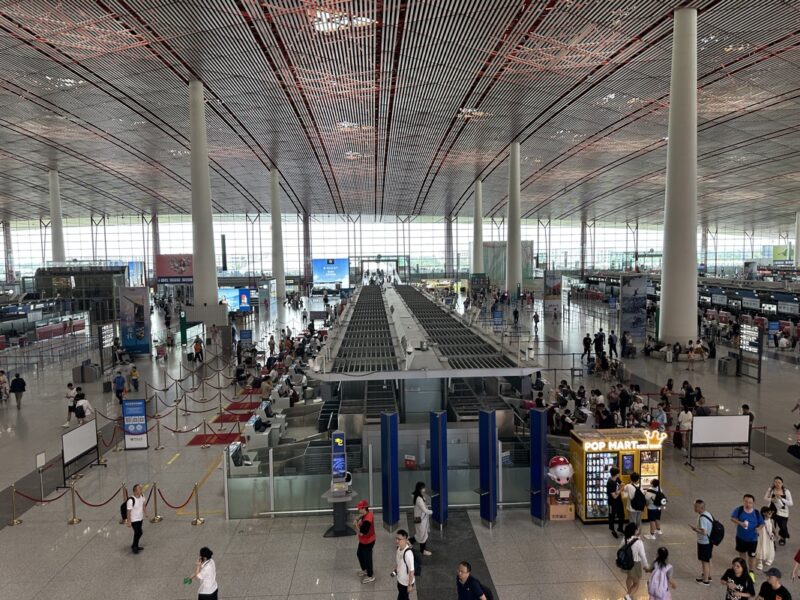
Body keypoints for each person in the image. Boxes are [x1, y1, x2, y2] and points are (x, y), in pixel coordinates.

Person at [732, 494, 765, 573]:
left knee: (752, 556)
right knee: (742, 554)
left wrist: (758, 528)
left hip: (753, 539)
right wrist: (740, 523)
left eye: (750, 502)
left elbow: (762, 523)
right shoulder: (739, 510)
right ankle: (743, 569)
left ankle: (751, 572)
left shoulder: (756, 513)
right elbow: (733, 518)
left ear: (753, 503)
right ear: (743, 501)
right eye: (746, 502)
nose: (748, 504)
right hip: (741, 538)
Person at [620, 522, 649, 600]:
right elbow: (643, 555)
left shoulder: (624, 539)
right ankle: (628, 595)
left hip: (626, 563)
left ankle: (629, 591)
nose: (638, 530)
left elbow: (619, 550)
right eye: (637, 529)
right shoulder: (639, 542)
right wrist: (646, 566)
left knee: (629, 577)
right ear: (634, 531)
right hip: (635, 564)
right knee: (636, 583)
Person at [690, 498, 714, 586]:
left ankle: (706, 580)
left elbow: (704, 531)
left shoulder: (702, 518)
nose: (694, 508)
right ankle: (707, 575)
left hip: (704, 542)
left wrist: (695, 529)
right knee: (707, 560)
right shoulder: (707, 514)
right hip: (709, 541)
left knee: (705, 561)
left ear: (700, 507)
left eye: (695, 507)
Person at [765, 476, 793, 546]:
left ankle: (782, 537)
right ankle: (772, 539)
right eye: (776, 482)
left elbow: (791, 503)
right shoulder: (771, 489)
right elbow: (765, 497)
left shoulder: (786, 491)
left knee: (783, 527)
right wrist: (771, 499)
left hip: (783, 512)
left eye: (779, 483)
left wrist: (782, 499)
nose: (777, 484)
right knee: (771, 525)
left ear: (782, 483)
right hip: (772, 510)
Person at [354, 500, 375, 583]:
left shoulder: (367, 521)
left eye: (360, 509)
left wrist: (355, 524)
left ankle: (370, 575)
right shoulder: (366, 513)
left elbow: (361, 533)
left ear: (364, 508)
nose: (359, 510)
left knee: (367, 558)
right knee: (359, 554)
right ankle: (365, 570)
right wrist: (358, 518)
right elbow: (362, 516)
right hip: (363, 541)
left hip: (368, 541)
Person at [392, 529, 415, 600]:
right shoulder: (399, 548)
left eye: (399, 539)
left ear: (405, 539)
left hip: (406, 583)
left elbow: (412, 571)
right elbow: (399, 562)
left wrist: (410, 585)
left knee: (402, 597)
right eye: (396, 538)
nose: (397, 541)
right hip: (400, 579)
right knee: (403, 597)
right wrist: (395, 571)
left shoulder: (408, 554)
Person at [412, 481, 433, 556]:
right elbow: (424, 510)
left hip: (422, 519)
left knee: (420, 535)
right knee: (422, 535)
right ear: (420, 489)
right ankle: (422, 550)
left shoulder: (420, 496)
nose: (425, 489)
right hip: (420, 520)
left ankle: (408, 542)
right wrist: (432, 512)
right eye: (423, 488)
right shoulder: (419, 499)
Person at [126, 483, 147, 554]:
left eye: (141, 489)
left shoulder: (142, 496)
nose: (141, 490)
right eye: (139, 489)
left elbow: (143, 505)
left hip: (140, 518)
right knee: (138, 532)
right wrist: (129, 522)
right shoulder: (131, 500)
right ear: (135, 491)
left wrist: (146, 513)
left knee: (139, 532)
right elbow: (128, 512)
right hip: (134, 520)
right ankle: (135, 547)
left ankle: (135, 545)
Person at [756, 506, 776, 571]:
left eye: (771, 513)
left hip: (769, 538)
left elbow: (773, 528)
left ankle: (769, 559)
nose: (770, 514)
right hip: (762, 538)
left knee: (770, 548)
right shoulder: (760, 521)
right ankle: (760, 563)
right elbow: (757, 528)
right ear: (764, 513)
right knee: (761, 549)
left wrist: (775, 534)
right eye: (769, 513)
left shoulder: (771, 520)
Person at [607, 467, 625, 537]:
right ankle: (612, 529)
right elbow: (614, 496)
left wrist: (618, 491)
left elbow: (622, 483)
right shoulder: (610, 483)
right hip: (612, 502)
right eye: (619, 473)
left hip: (619, 501)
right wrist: (621, 490)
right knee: (612, 516)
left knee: (622, 515)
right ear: (617, 474)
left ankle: (620, 528)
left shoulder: (617, 479)